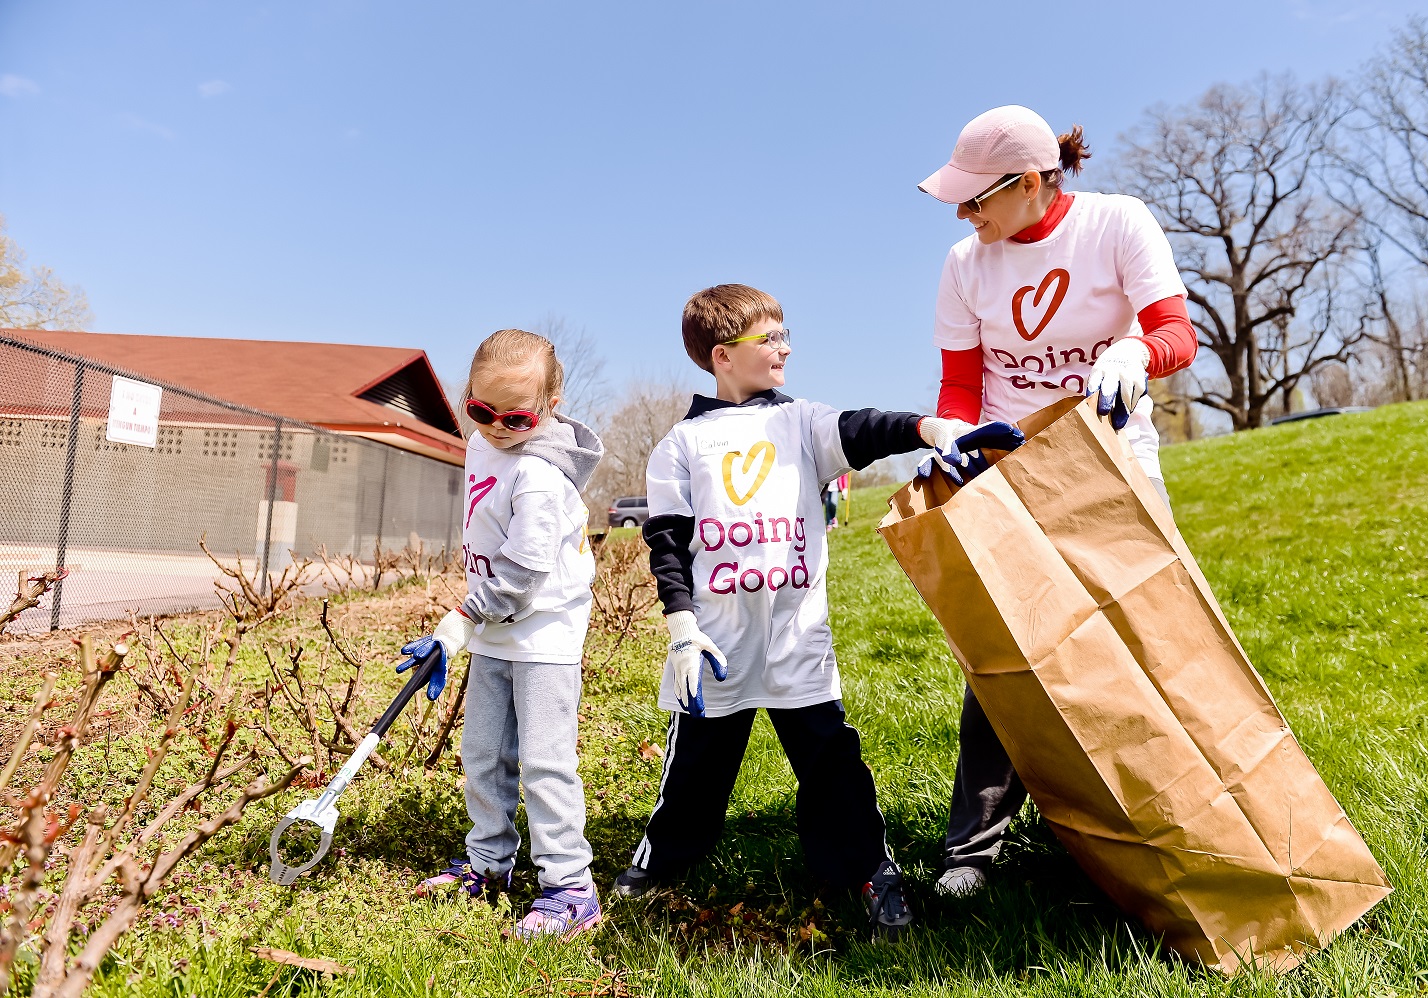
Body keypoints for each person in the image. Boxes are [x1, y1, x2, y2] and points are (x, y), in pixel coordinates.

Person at [609, 284, 972, 940]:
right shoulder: (681, 446)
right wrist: (683, 628)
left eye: (784, 334)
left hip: (796, 637)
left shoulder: (802, 421)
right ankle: (658, 862)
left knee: (832, 763)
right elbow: (668, 544)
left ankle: (869, 872)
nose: (785, 347)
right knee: (695, 770)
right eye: (768, 339)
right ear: (722, 355)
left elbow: (862, 428)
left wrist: (929, 427)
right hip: (716, 645)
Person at [915, 105, 1197, 898]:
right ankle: (973, 849)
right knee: (1004, 652)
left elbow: (1177, 331)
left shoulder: (1116, 224)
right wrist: (955, 433)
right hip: (1010, 469)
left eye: (978, 200)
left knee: (1147, 635)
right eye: (960, 204)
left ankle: (1158, 821)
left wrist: (1138, 350)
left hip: (1113, 460)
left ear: (1033, 183)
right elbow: (962, 381)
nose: (967, 217)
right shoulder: (965, 263)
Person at [399, 328, 606, 940]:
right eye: (480, 410)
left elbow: (519, 576)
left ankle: (570, 886)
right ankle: (490, 865)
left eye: (515, 416)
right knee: (484, 754)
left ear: (550, 404)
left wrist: (458, 620)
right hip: (493, 630)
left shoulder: (541, 476)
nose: (495, 427)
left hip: (542, 636)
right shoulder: (481, 446)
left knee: (545, 763)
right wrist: (469, 622)